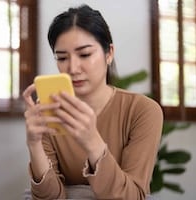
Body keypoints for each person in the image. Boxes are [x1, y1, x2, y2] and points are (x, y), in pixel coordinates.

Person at [23, 4, 163, 200]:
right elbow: (50, 197)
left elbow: (132, 196)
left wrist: (92, 141)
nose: (72, 68)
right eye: (62, 57)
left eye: (85, 54)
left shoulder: (143, 111)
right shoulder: (49, 111)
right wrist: (34, 144)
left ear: (109, 53)